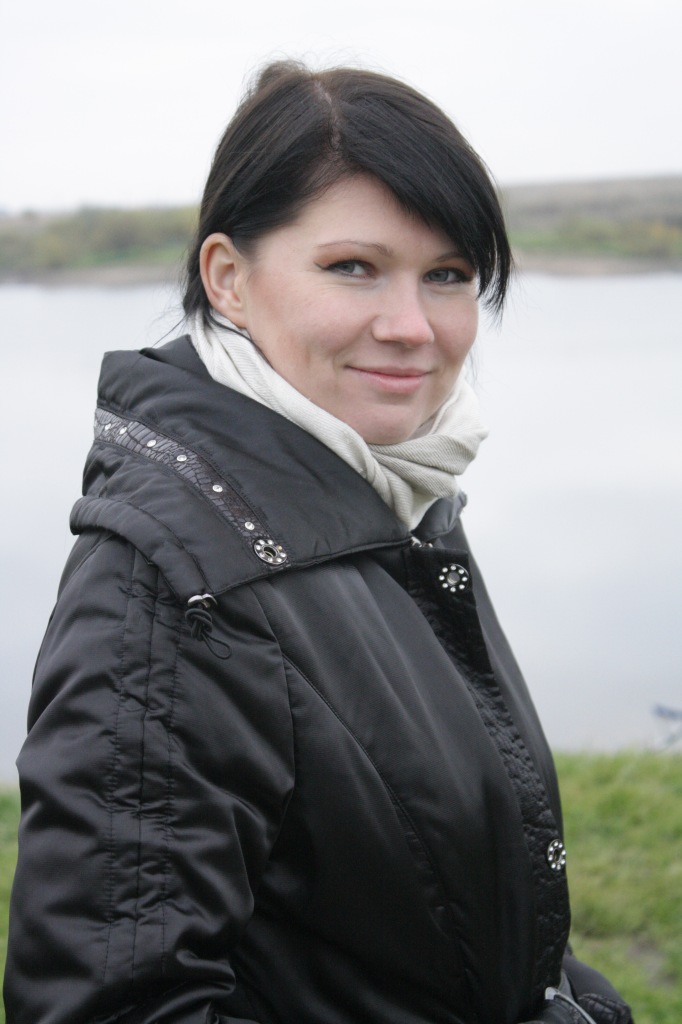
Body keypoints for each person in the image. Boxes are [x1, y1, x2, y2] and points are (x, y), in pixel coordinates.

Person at [4, 62, 634, 1024]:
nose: (412, 327)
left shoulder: (386, 492)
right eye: (352, 267)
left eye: (448, 276)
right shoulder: (177, 589)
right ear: (228, 279)